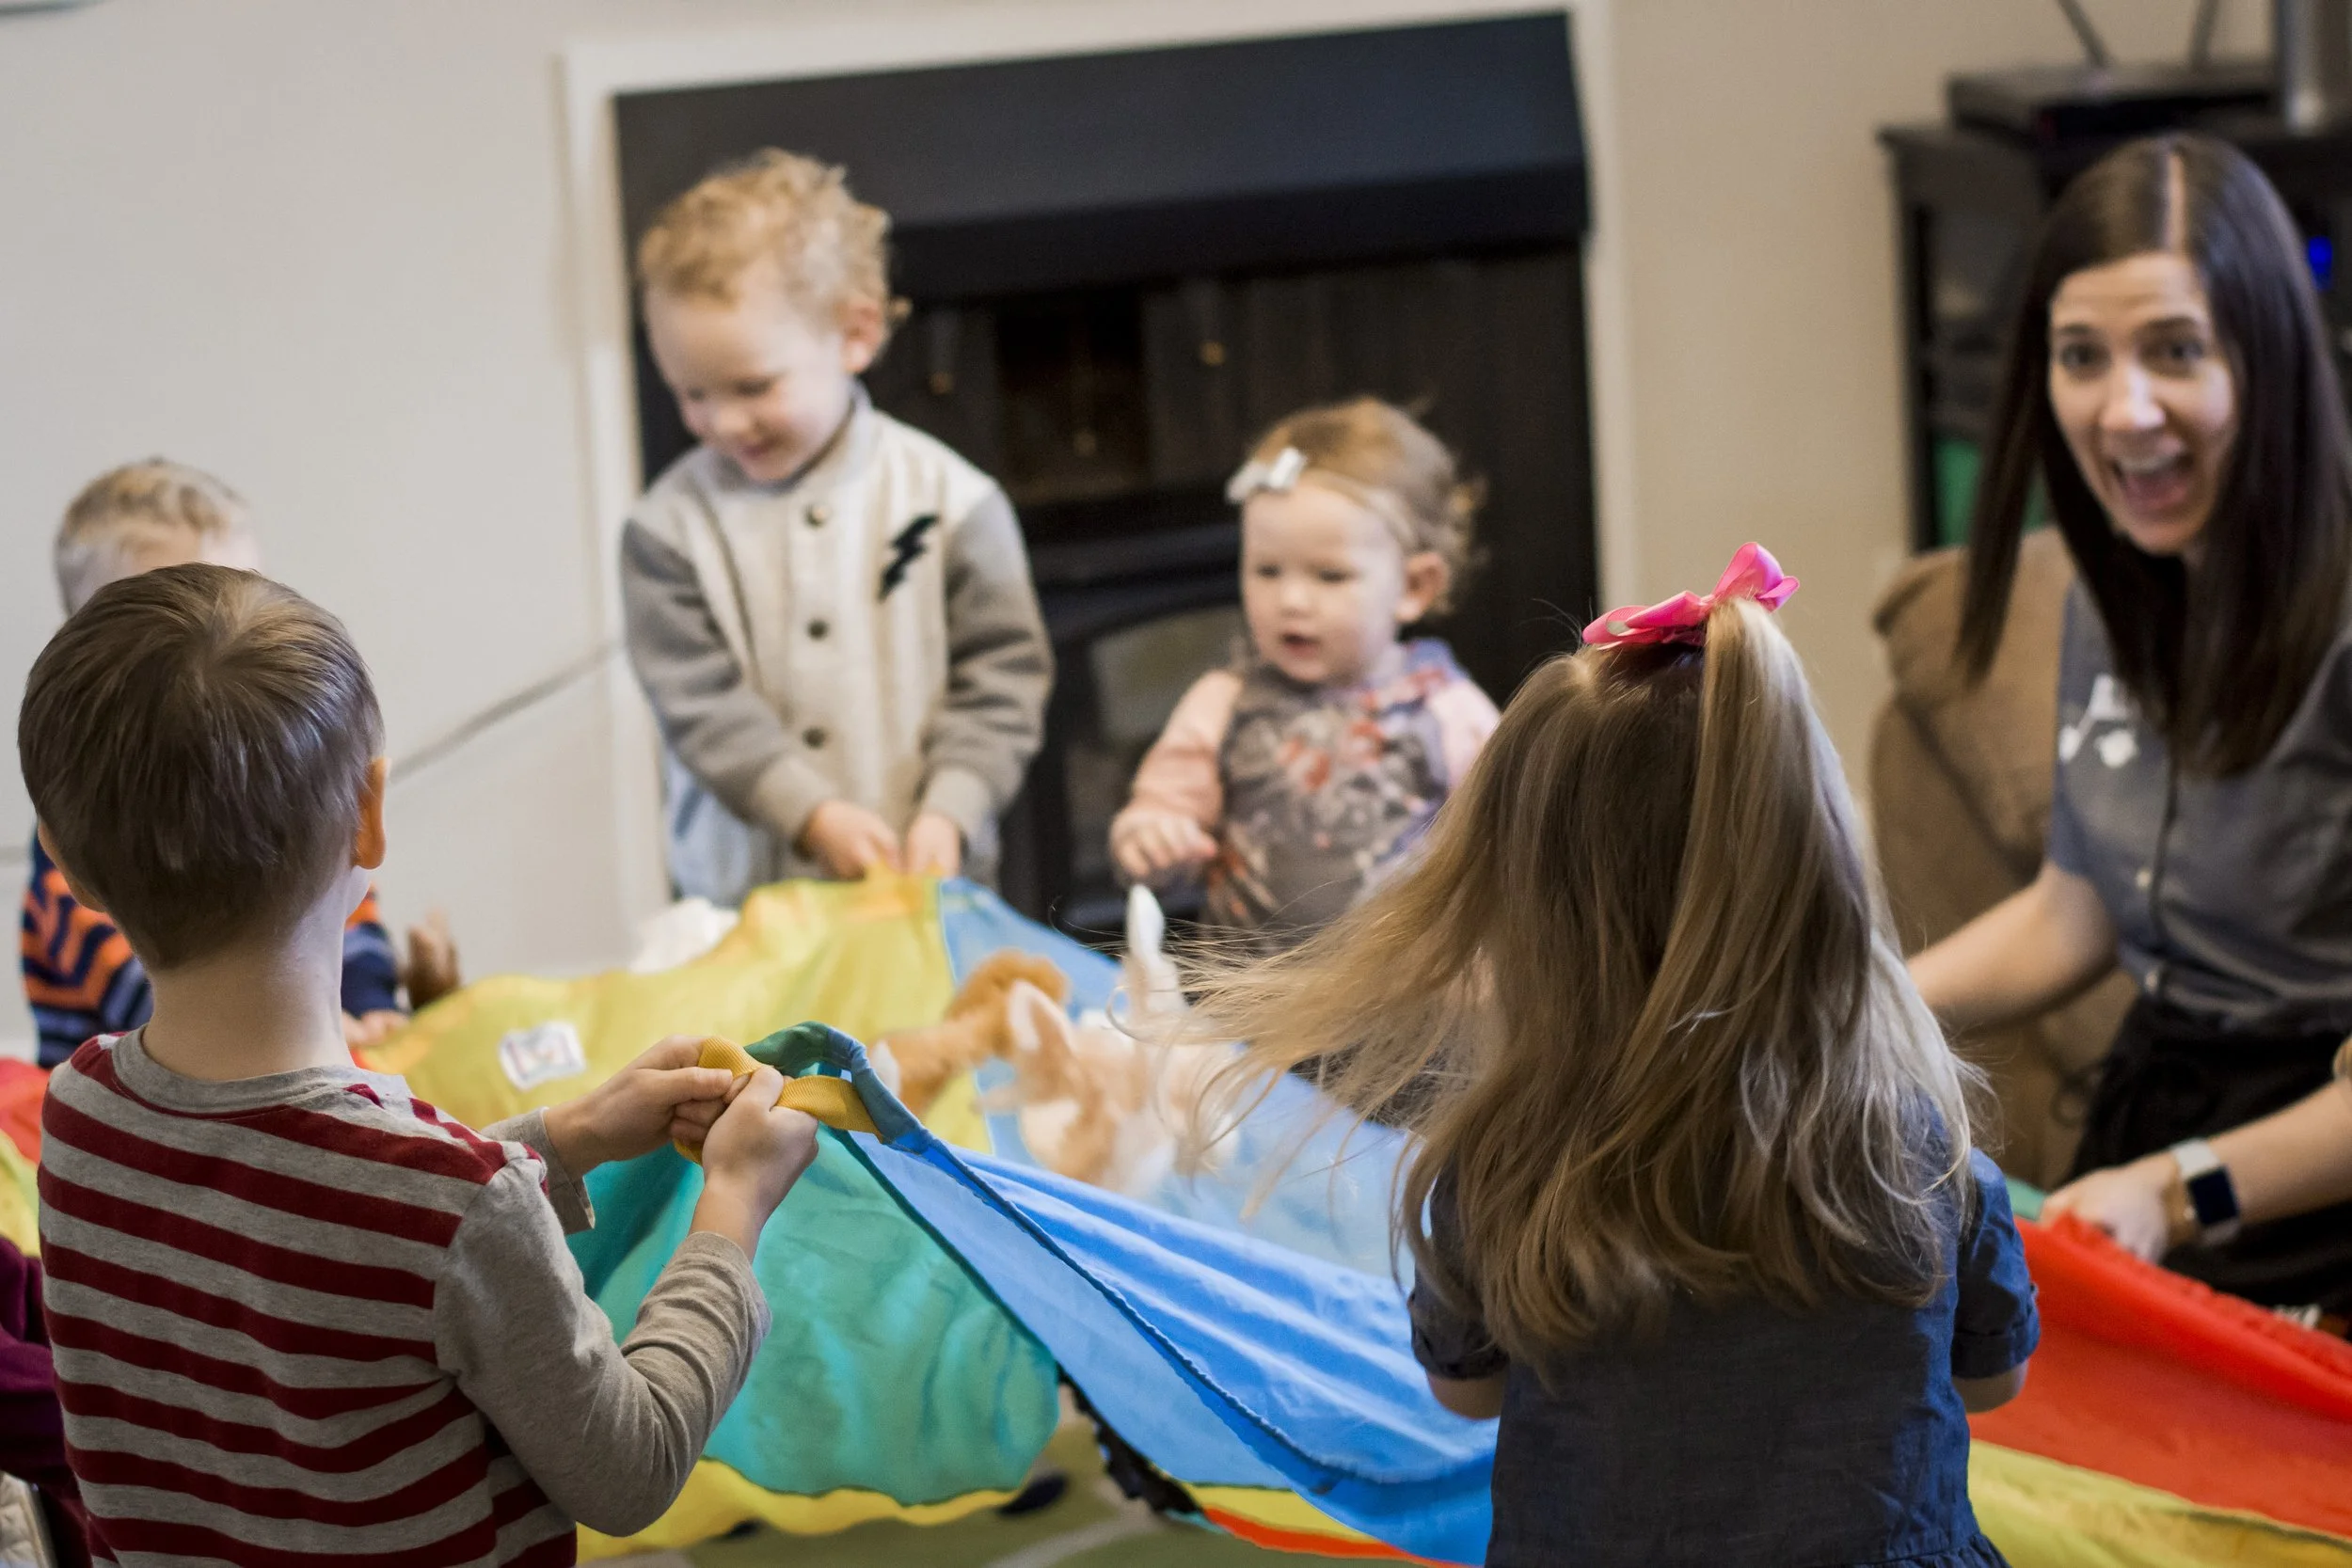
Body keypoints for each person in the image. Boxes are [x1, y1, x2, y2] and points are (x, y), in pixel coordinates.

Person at [1189, 547, 2037, 1567]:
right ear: (1823, 887)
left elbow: (1464, 1393)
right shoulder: (1916, 1149)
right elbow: (1989, 1381)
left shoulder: (1501, 1165)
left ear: (1531, 914)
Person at [19, 563, 820, 1563]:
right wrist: (735, 1199)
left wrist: (562, 1138)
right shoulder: (450, 1201)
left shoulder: (83, 1112)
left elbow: (322, 1212)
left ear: (63, 857)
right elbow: (630, 1465)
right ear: (371, 812)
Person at [1909, 134, 2352, 1316]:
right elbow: (2080, 904)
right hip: (2155, 1119)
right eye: (2080, 357)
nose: (2125, 408)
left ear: (2266, 357)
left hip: (2305, 1178)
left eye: (2174, 351)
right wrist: (1860, 1009)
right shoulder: (2115, 591)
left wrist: (2173, 1190)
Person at [622, 150, 1051, 902]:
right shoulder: (665, 531)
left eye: (754, 386)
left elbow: (1002, 683)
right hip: (745, 908)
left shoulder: (957, 502)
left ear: (855, 334)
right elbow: (701, 707)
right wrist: (809, 812)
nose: (721, 422)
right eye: (692, 393)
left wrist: (951, 809)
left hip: (927, 890)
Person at [20, 459, 459, 1064]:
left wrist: (368, 1002)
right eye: (163, 606)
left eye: (244, 593)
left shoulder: (289, 775)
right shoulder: (90, 817)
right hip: (147, 1085)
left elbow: (343, 900)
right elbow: (155, 992)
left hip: (302, 1046)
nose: (214, 629)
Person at [1109, 399, 1499, 956]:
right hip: (1252, 1007)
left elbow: (1506, 846)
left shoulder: (1452, 712)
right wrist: (1151, 838)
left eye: (1330, 575)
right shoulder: (1223, 703)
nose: (1291, 600)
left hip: (1404, 1003)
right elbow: (1160, 815)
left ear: (1415, 587)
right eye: (1267, 570)